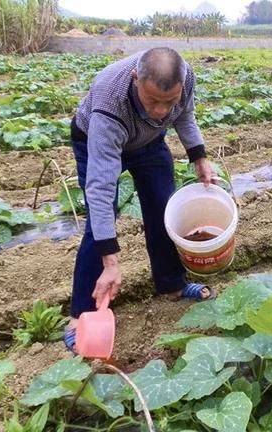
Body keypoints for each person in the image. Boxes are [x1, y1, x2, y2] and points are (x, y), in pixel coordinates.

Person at [64, 47, 215, 352]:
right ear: (135, 80)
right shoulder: (110, 98)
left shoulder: (185, 80)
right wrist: (112, 261)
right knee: (102, 220)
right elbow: (101, 187)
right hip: (95, 139)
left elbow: (184, 115)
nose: (161, 111)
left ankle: (171, 283)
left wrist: (199, 157)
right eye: (152, 101)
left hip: (149, 141)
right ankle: (80, 314)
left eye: (168, 101)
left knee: (163, 207)